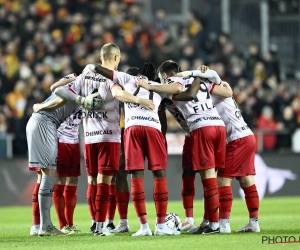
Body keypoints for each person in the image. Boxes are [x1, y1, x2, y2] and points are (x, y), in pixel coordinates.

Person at [54, 43, 154, 236]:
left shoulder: (84, 76)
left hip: (89, 137)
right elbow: (117, 94)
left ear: (101, 57)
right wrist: (139, 100)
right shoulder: (112, 78)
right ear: (116, 57)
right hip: (109, 136)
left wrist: (81, 101)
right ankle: (102, 226)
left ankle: (94, 222)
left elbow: (57, 90)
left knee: (92, 180)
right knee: (106, 181)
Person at [137, 60, 232, 234]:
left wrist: (151, 87)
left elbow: (180, 91)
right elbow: (227, 92)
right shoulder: (199, 80)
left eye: (161, 79)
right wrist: (200, 74)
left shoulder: (174, 84)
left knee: (208, 177)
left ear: (165, 76)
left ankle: (215, 225)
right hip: (218, 126)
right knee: (212, 176)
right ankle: (210, 221)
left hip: (201, 127)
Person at [88, 62, 181, 236]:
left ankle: (144, 227)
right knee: (159, 176)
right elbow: (177, 88)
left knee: (136, 178)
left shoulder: (126, 79)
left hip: (132, 129)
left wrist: (94, 67)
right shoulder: (158, 86)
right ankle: (160, 226)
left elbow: (101, 72)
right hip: (154, 129)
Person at [178, 68, 260, 233]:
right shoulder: (220, 85)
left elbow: (217, 81)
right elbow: (217, 78)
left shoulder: (209, 88)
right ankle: (254, 222)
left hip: (236, 138)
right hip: (247, 135)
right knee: (246, 180)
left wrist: (188, 74)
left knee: (222, 180)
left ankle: (223, 224)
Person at [27, 73, 101, 236]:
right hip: (49, 127)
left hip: (52, 128)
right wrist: (43, 106)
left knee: (49, 176)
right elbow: (58, 90)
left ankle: (43, 225)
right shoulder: (76, 83)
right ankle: (41, 224)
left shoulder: (91, 90)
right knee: (48, 176)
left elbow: (62, 98)